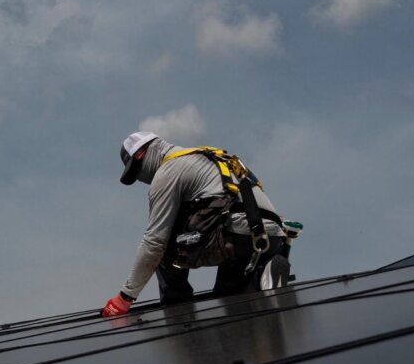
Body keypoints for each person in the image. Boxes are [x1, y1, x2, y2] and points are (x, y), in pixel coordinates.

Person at [101, 130, 294, 317]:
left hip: (235, 236)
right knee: (232, 305)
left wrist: (125, 297)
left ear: (143, 154)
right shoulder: (211, 156)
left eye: (136, 170)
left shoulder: (168, 171)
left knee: (164, 244)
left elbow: (154, 242)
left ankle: (179, 312)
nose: (141, 179)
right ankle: (260, 278)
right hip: (271, 236)